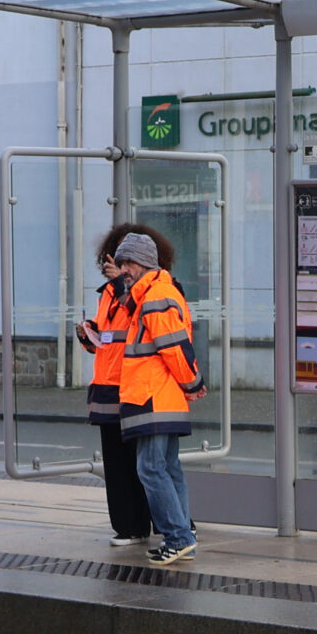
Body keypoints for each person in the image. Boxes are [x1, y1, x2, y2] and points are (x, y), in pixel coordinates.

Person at [108, 229, 204, 564]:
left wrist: (192, 382)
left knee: (150, 468)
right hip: (158, 397)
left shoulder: (156, 297)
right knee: (167, 467)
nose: (123, 270)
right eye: (121, 263)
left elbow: (175, 348)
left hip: (153, 398)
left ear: (145, 263)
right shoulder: (149, 295)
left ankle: (177, 537)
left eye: (129, 263)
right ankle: (183, 536)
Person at [77, 223, 172, 549]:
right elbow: (106, 337)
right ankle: (128, 527)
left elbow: (143, 321)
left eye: (124, 261)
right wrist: (87, 334)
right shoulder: (107, 294)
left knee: (145, 463)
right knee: (116, 463)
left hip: (136, 385)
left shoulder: (153, 290)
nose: (117, 266)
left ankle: (167, 525)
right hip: (107, 383)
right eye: (115, 259)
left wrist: (121, 287)